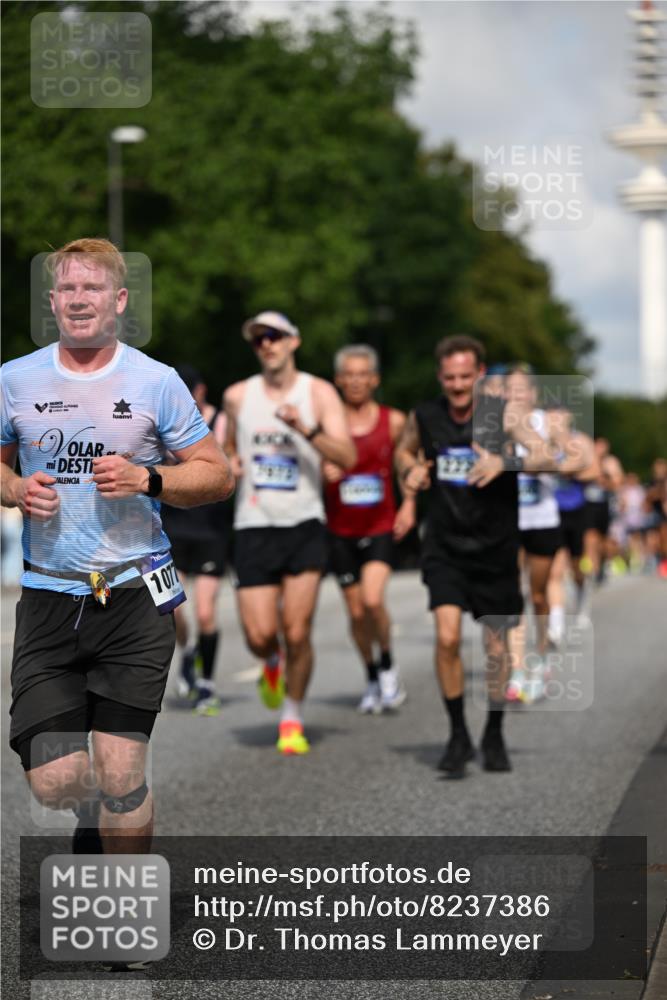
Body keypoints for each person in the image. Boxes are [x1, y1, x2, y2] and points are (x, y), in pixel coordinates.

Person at [0, 240, 233, 881]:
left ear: (120, 301)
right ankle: (88, 818)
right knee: (57, 781)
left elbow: (217, 475)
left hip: (132, 594)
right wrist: (16, 488)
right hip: (49, 596)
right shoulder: (14, 379)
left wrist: (148, 479)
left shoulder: (155, 381)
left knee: (124, 770)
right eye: (68, 290)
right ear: (52, 302)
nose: (80, 300)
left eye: (93, 289)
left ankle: (124, 911)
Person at [394, 335, 587, 779]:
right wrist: (410, 471)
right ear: (439, 376)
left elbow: (545, 456)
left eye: (466, 376)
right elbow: (404, 449)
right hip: (444, 545)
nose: (458, 386)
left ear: (480, 375)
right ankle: (458, 732)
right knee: (446, 638)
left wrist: (507, 461)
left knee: (496, 647)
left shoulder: (504, 415)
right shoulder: (425, 415)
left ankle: (494, 730)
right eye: (449, 378)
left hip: (496, 547)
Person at [223, 311, 355, 755]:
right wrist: (230, 465)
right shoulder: (238, 396)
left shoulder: (318, 392)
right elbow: (222, 455)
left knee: (297, 631)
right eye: (258, 338)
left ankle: (291, 718)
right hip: (254, 524)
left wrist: (306, 428)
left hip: (304, 521)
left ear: (294, 341)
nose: (266, 344)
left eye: (274, 336)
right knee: (260, 636)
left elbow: (347, 455)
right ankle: (271, 662)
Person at [323, 344, 414, 714]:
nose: (356, 381)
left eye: (364, 374)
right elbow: (308, 461)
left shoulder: (393, 421)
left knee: (374, 600)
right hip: (340, 528)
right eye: (350, 374)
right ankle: (372, 674)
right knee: (356, 612)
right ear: (339, 380)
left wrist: (409, 503)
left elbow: (407, 463)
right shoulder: (330, 422)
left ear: (374, 380)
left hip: (380, 524)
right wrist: (323, 471)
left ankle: (389, 664)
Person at [160, 364, 230, 715]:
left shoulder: (221, 422)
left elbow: (232, 462)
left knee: (205, 612)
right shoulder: (163, 420)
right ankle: (188, 653)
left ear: (202, 391)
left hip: (211, 530)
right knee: (172, 609)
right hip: (171, 528)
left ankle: (207, 683)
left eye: (193, 392)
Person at [582, 438, 624, 584]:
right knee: (590, 536)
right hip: (588, 503)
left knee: (604, 540)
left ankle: (603, 563)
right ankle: (593, 569)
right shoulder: (587, 460)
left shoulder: (611, 462)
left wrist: (605, 480)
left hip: (605, 504)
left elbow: (618, 483)